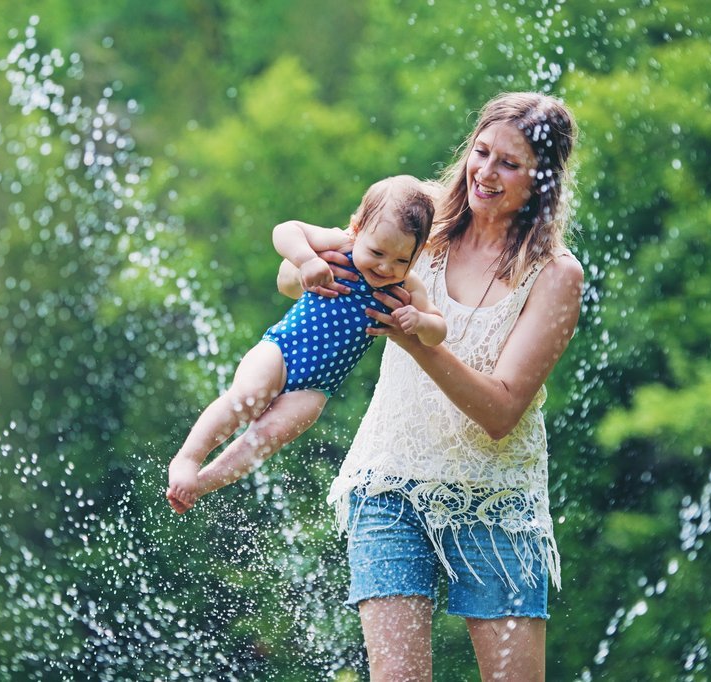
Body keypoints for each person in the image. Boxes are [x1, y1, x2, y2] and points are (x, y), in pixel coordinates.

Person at [277, 93, 583, 681]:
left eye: (509, 164)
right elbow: (297, 273)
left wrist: (416, 340)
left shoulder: (556, 275)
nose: (485, 173)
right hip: (390, 478)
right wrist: (309, 272)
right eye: (481, 151)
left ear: (542, 180)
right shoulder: (421, 218)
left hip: (496, 496)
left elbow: (500, 411)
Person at [167, 175, 445, 514]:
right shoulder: (340, 243)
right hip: (283, 350)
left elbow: (438, 330)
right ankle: (188, 459)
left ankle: (202, 483)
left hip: (316, 388)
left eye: (402, 260)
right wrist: (307, 260)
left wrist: (420, 322)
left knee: (267, 437)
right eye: (376, 252)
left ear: (420, 252)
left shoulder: (410, 287)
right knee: (245, 399)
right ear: (357, 229)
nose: (386, 267)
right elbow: (285, 230)